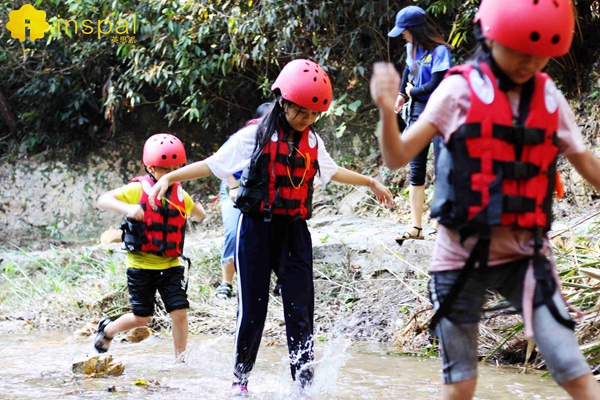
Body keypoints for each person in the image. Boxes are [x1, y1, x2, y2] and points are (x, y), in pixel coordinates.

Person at [370, 0, 600, 398]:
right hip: (460, 258)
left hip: (527, 257)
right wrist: (387, 112)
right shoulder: (458, 89)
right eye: (518, 50)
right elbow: (397, 157)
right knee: (461, 383)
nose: (528, 63)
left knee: (571, 366)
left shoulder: (549, 100)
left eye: (539, 54)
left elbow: (590, 168)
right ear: (490, 37)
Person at [147, 59, 393, 394]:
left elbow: (332, 171)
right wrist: (172, 177)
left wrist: (370, 182)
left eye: (313, 114)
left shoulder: (312, 141)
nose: (307, 120)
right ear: (283, 101)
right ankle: (240, 380)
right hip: (256, 229)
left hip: (294, 231)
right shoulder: (254, 136)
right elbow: (213, 164)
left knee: (301, 310)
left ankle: (303, 387)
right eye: (301, 112)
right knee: (253, 310)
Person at [94, 133, 206, 362]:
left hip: (171, 265)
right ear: (150, 168)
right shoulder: (138, 191)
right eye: (165, 169)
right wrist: (128, 209)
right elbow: (103, 200)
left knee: (179, 312)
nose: (170, 175)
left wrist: (197, 211)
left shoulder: (180, 194)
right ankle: (107, 330)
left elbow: (199, 215)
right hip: (140, 266)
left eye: (175, 169)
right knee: (141, 317)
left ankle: (180, 361)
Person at [387, 5, 452, 242]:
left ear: (415, 29)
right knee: (416, 167)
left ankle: (438, 224)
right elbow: (407, 71)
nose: (402, 34)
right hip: (417, 109)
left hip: (440, 109)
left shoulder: (440, 52)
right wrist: (401, 94)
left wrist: (412, 91)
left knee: (443, 166)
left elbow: (435, 83)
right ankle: (416, 227)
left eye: (404, 30)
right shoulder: (410, 48)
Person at [215, 102, 273, 300]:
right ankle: (226, 283)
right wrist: (233, 186)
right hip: (234, 183)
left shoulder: (281, 137)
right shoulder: (244, 137)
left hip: (262, 188)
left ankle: (271, 280)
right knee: (234, 231)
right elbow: (218, 163)